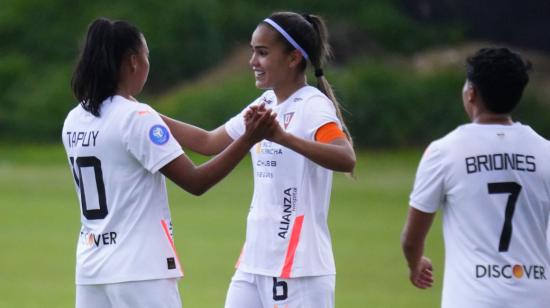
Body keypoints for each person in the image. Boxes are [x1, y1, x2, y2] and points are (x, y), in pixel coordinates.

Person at [63, 17, 276, 308]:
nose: (149, 64)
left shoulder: (74, 119)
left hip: (91, 268)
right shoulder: (135, 118)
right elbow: (196, 181)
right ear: (133, 62)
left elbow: (202, 142)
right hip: (141, 269)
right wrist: (249, 139)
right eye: (147, 56)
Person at [161, 11, 355, 308]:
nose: (253, 61)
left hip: (297, 268)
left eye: (262, 53)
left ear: (293, 58)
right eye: (253, 51)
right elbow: (208, 142)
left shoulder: (313, 105)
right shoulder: (266, 103)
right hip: (254, 262)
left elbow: (346, 157)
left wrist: (282, 137)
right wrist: (144, 114)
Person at [401, 47, 550, 308]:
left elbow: (412, 238)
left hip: (473, 298)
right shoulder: (545, 151)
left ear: (471, 93)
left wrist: (416, 264)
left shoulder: (444, 151)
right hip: (537, 297)